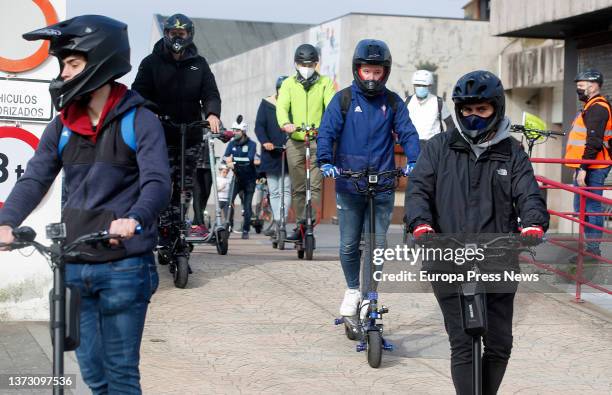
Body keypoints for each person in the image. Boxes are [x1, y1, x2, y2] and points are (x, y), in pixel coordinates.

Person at [0, 16, 171, 394]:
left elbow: (158, 183)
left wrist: (134, 218)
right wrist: (7, 221)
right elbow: (35, 177)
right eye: (63, 65)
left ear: (99, 61)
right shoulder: (63, 126)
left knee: (121, 374)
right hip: (75, 264)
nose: (64, 73)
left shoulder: (139, 120)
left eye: (72, 64)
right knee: (93, 375)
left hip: (124, 264)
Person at [405, 70, 549, 395]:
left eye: (481, 110)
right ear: (458, 110)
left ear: (495, 109)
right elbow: (418, 191)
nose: (473, 117)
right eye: (467, 110)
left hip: (498, 258)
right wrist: (421, 224)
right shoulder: (439, 147)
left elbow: (528, 192)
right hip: (447, 257)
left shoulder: (512, 151)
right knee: (464, 343)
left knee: (499, 344)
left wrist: (533, 223)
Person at [317, 39, 420, 317]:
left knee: (377, 245)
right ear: (357, 70)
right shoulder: (344, 100)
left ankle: (369, 296)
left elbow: (408, 132)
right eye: (367, 72)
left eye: (377, 72)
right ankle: (352, 290)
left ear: (384, 72)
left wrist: (414, 159)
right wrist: (325, 161)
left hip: (383, 183)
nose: (372, 78)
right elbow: (327, 132)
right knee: (350, 244)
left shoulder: (393, 102)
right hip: (350, 183)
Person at [132, 13, 221, 239]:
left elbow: (210, 92)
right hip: (160, 134)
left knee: (185, 186)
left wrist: (212, 114)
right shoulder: (151, 63)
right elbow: (138, 93)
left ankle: (179, 225)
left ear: (189, 35)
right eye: (174, 33)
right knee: (162, 182)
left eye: (181, 34)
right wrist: (152, 113)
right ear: (166, 34)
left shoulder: (199, 64)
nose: (177, 37)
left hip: (190, 134)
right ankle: (161, 223)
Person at [276, 44, 336, 240]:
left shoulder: (325, 83)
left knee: (316, 185)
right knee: (299, 186)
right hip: (296, 140)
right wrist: (286, 123)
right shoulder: (288, 84)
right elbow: (282, 107)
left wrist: (328, 127)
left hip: (319, 139)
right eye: (302, 64)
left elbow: (332, 106)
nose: (306, 67)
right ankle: (301, 223)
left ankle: (312, 221)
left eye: (310, 64)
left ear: (316, 64)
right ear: (296, 64)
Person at [564, 68, 611, 263]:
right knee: (581, 207)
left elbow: (593, 141)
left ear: (593, 86)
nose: (579, 90)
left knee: (591, 206)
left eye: (581, 86)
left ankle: (593, 250)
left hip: (594, 165)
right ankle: (589, 249)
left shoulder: (598, 108)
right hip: (587, 164)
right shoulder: (590, 106)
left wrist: (583, 168)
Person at [255, 76, 292, 236]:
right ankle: (277, 219)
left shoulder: (292, 104)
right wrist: (265, 142)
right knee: (275, 190)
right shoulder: (266, 104)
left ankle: (282, 221)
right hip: (271, 153)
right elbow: (259, 126)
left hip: (288, 152)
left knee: (286, 189)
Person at [224, 119, 258, 239]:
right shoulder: (232, 144)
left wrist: (233, 161)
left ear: (243, 131)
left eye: (237, 130)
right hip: (236, 178)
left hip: (249, 179)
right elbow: (225, 157)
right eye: (233, 130)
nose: (234, 132)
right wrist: (228, 161)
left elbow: (249, 159)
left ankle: (245, 230)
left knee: (247, 205)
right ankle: (228, 225)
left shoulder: (252, 144)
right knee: (229, 202)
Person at [407, 69, 453, 149]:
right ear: (414, 85)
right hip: (411, 145)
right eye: (418, 85)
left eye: (424, 85)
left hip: (433, 146)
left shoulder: (438, 102)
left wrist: (445, 142)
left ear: (429, 85)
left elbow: (450, 124)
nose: (421, 87)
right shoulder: (407, 102)